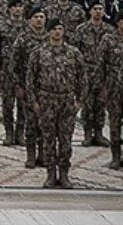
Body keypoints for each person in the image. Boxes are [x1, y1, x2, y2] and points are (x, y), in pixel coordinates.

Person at [27, 19, 83, 189]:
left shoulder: (73, 53)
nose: (58, 32)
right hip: (47, 100)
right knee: (48, 139)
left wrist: (80, 101)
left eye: (60, 28)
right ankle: (51, 174)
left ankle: (64, 174)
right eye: (54, 29)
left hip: (66, 100)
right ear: (49, 32)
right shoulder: (39, 52)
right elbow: (31, 79)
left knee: (65, 140)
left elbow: (82, 78)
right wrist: (34, 101)